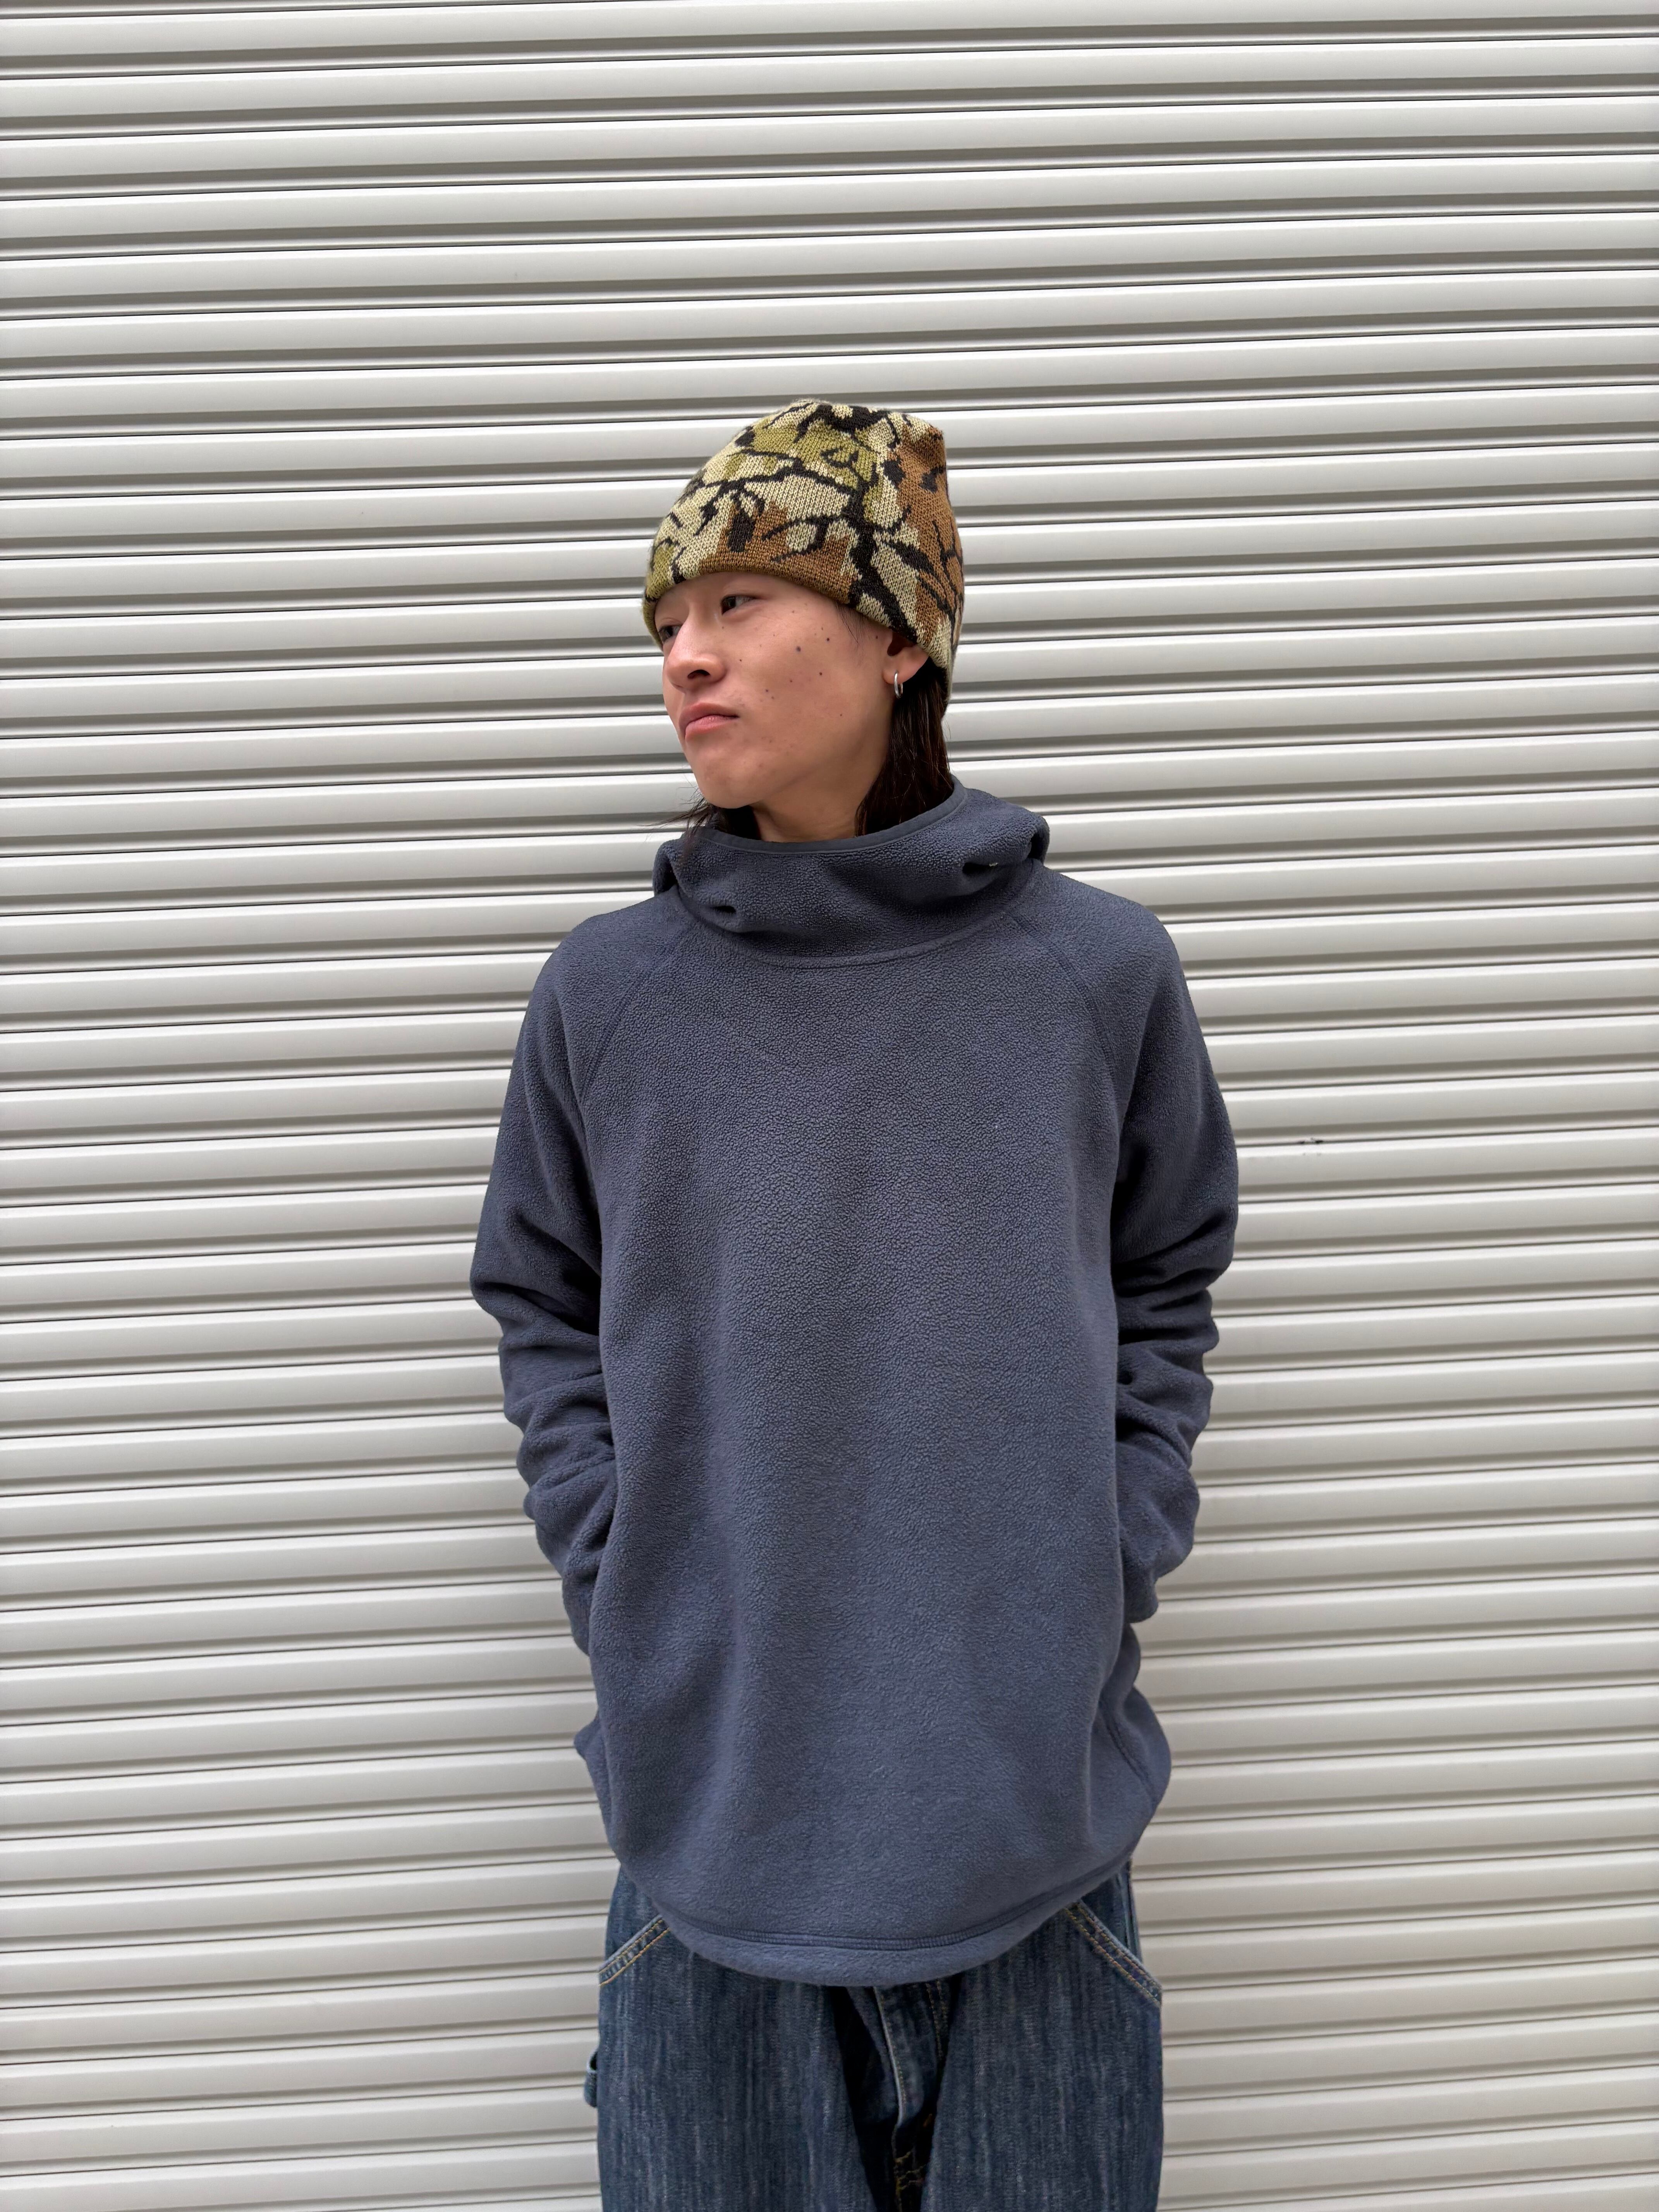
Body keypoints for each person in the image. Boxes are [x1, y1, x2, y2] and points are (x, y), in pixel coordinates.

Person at [471, 399, 1238, 2209]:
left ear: (900, 638)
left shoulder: (1093, 977)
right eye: (669, 618)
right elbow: (539, 1299)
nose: (686, 655)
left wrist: (1105, 1545)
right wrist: (628, 1566)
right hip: (710, 1846)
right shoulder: (611, 998)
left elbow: (1169, 1274)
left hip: (1036, 1850)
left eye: (739, 601)